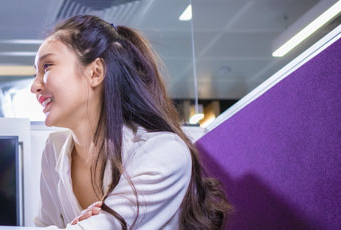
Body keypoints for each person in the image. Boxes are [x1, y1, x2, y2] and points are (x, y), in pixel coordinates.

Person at [29, 15, 231, 229]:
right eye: (36, 73)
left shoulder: (163, 152)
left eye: (47, 66)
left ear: (95, 72)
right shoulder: (54, 150)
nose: (34, 86)